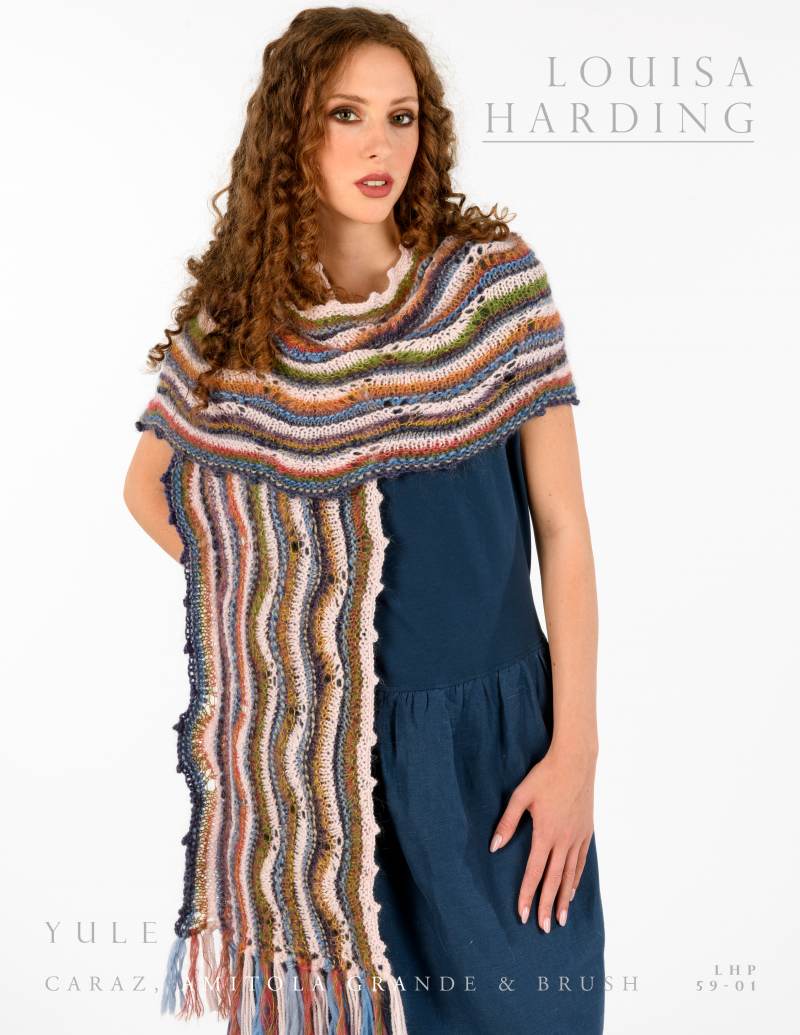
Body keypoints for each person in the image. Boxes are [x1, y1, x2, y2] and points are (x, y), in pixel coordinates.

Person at [124, 7, 604, 1034]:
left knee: (538, 1010)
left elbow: (564, 529)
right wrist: (271, 590)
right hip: (313, 756)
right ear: (291, 132)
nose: (379, 145)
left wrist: (576, 754)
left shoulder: (489, 286)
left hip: (491, 741)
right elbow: (148, 486)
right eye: (345, 114)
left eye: (401, 116)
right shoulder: (238, 323)